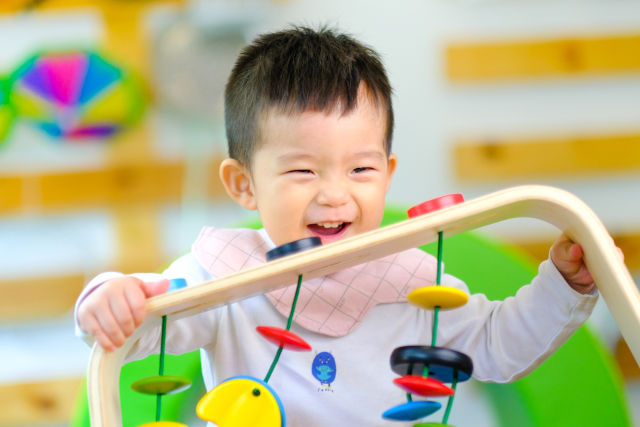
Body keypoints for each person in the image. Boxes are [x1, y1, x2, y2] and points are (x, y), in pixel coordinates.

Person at [75, 26, 600, 425]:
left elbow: (496, 344)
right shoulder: (223, 275)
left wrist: (563, 284)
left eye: (361, 169)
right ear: (243, 185)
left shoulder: (415, 284)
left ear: (387, 175)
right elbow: (150, 318)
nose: (334, 193)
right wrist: (111, 298)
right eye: (303, 170)